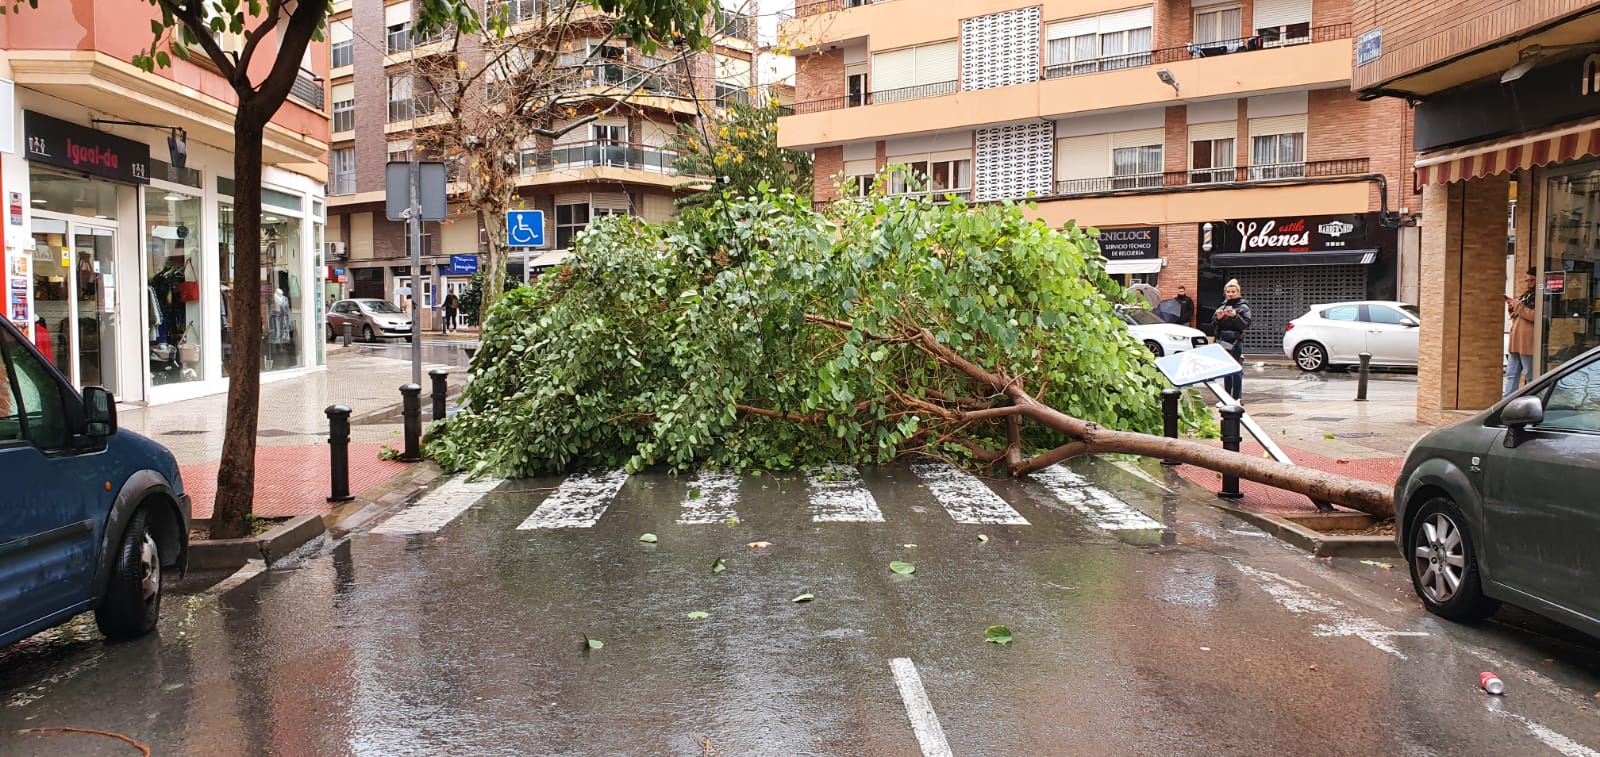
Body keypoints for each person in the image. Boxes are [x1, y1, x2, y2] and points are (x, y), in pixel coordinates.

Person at [1213, 279, 1252, 401]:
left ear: (1238, 292)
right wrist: (1218, 318)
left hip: (1235, 342)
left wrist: (1235, 316)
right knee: (1226, 370)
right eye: (1228, 292)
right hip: (1223, 341)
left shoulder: (1243, 307)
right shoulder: (1222, 306)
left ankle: (1236, 398)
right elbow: (1214, 324)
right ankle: (1226, 397)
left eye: (1233, 292)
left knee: (1236, 369)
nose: (1230, 294)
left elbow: (1245, 324)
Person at [1504, 267, 1537, 396]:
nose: (1529, 283)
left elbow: (1535, 316)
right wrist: (1512, 307)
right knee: (1511, 374)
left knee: (1530, 375)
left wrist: (1517, 305)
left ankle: (1529, 400)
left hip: (1528, 341)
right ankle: (1506, 402)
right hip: (1516, 340)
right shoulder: (1526, 295)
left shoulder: (1540, 296)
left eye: (1532, 280)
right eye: (1527, 280)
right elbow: (1519, 313)